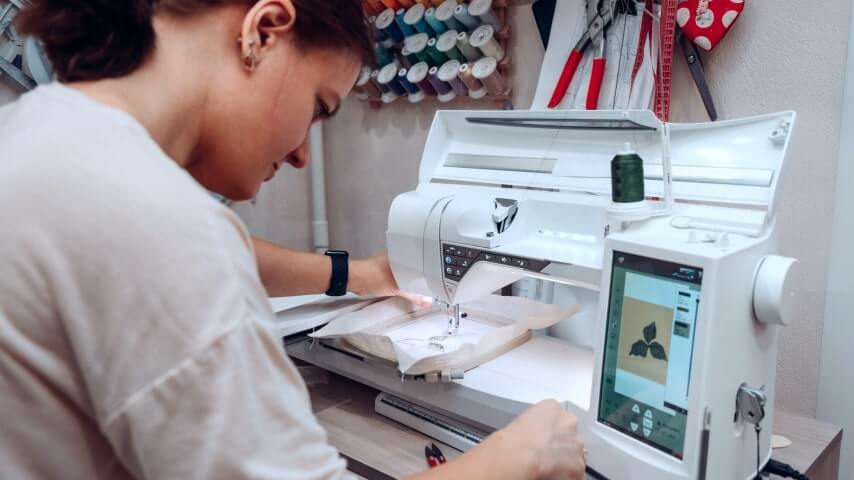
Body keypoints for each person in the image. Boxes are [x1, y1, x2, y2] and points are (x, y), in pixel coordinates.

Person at [0, 1, 586, 479]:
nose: (303, 153)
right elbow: (169, 249)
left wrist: (358, 274)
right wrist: (521, 455)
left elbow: (189, 255)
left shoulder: (42, 136)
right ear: (265, 28)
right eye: (317, 108)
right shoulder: (151, 215)